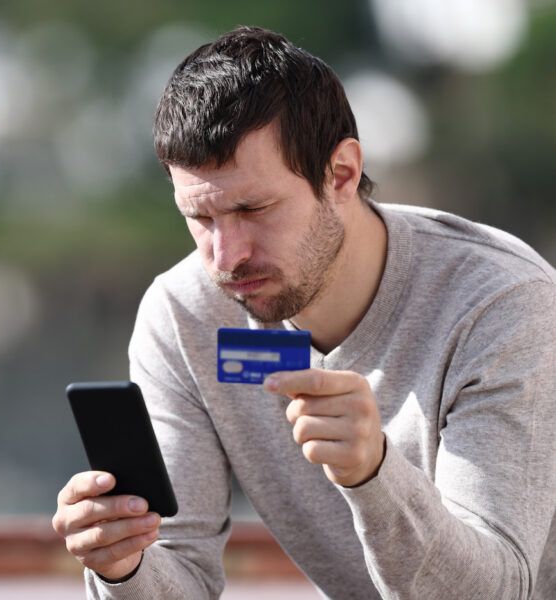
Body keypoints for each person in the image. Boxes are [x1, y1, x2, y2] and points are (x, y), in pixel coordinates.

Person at [51, 25, 556, 599]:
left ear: (340, 174)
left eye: (254, 208)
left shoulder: (502, 303)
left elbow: (499, 592)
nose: (227, 257)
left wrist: (374, 473)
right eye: (201, 218)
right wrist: (123, 566)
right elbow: (182, 577)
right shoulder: (182, 317)